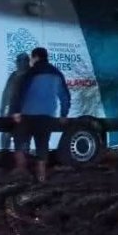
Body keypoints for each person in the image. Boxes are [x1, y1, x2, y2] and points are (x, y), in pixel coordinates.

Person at [9, 47, 71, 182]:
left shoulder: (31, 72)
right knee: (42, 143)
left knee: (19, 139)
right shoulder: (57, 73)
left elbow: (21, 93)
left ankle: (21, 168)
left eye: (32, 58)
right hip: (47, 115)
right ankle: (41, 174)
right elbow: (65, 96)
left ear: (36, 57)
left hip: (28, 114)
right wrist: (64, 114)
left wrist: (16, 111)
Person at [0, 53, 30, 151]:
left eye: (22, 61)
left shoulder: (31, 76)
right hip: (12, 111)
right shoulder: (14, 75)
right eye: (18, 61)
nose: (20, 63)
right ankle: (5, 154)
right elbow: (6, 92)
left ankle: (23, 156)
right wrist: (2, 108)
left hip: (26, 113)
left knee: (23, 139)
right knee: (6, 135)